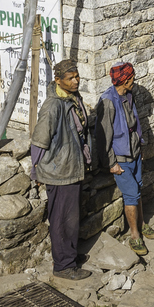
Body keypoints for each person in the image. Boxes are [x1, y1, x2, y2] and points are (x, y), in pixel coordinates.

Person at [31, 59, 92, 280]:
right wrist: (34, 169)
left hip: (71, 167)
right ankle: (64, 266)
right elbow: (39, 141)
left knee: (71, 218)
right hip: (59, 171)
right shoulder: (53, 106)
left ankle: (70, 256)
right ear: (58, 80)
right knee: (62, 219)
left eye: (77, 76)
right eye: (70, 78)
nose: (76, 81)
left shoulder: (71, 98)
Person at [97, 62, 154, 256]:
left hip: (134, 151)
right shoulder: (107, 101)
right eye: (132, 78)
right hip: (120, 156)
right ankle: (134, 236)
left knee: (138, 188)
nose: (135, 81)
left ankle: (140, 224)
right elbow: (103, 135)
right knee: (131, 194)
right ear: (125, 80)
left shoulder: (128, 95)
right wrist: (111, 163)